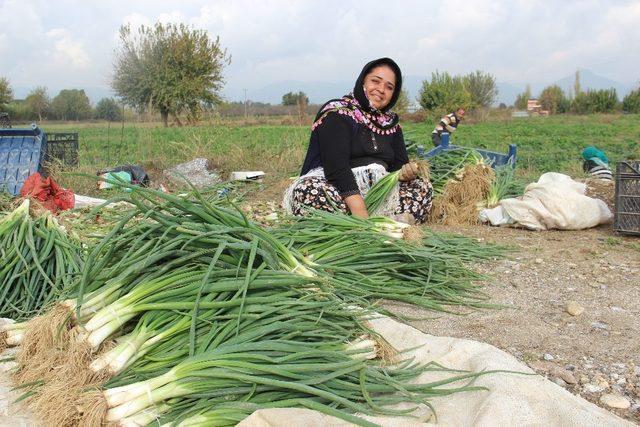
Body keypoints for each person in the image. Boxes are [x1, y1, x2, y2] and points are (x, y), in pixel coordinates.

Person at [283, 58, 433, 224]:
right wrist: (358, 208)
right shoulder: (338, 113)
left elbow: (398, 167)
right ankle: (378, 223)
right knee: (310, 191)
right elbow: (336, 167)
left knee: (422, 187)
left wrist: (406, 173)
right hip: (338, 188)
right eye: (375, 81)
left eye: (389, 87)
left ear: (394, 94)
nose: (381, 90)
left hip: (378, 194)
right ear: (363, 81)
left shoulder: (392, 125)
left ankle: (368, 223)